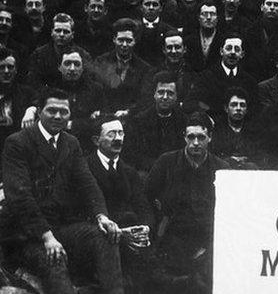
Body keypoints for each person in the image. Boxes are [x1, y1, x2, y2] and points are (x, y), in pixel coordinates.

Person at [1, 87, 123, 293]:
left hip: (61, 228)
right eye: (52, 110)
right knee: (55, 260)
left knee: (105, 237)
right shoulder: (18, 143)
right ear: (39, 111)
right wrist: (47, 237)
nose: (58, 116)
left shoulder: (70, 143)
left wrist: (102, 216)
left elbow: (88, 184)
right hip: (27, 235)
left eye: (64, 112)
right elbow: (20, 196)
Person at [146, 111, 229, 293]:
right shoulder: (167, 162)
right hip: (174, 236)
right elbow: (147, 195)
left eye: (201, 137)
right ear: (184, 137)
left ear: (210, 138)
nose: (196, 143)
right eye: (191, 137)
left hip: (208, 238)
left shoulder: (221, 168)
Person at [87, 115, 153, 292]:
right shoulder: (85, 168)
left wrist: (145, 227)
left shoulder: (129, 172)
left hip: (131, 235)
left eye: (121, 133)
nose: (118, 138)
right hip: (102, 235)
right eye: (111, 134)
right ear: (96, 140)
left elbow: (144, 207)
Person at [124, 71, 187, 176]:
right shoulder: (138, 121)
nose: (165, 97)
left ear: (176, 97)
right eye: (161, 92)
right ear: (154, 94)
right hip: (147, 173)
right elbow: (132, 155)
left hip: (177, 173)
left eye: (170, 93)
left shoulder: (184, 122)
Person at [89, 18, 155, 115]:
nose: (124, 45)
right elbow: (94, 91)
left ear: (134, 41)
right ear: (114, 39)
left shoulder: (144, 68)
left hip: (131, 118)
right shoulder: (101, 62)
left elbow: (144, 99)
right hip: (104, 116)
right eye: (121, 40)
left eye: (128, 41)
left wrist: (128, 112)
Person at [211, 87, 259, 169]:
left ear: (246, 109)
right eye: (234, 105)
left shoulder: (255, 130)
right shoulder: (216, 130)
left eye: (242, 105)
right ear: (226, 108)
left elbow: (260, 155)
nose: (238, 108)